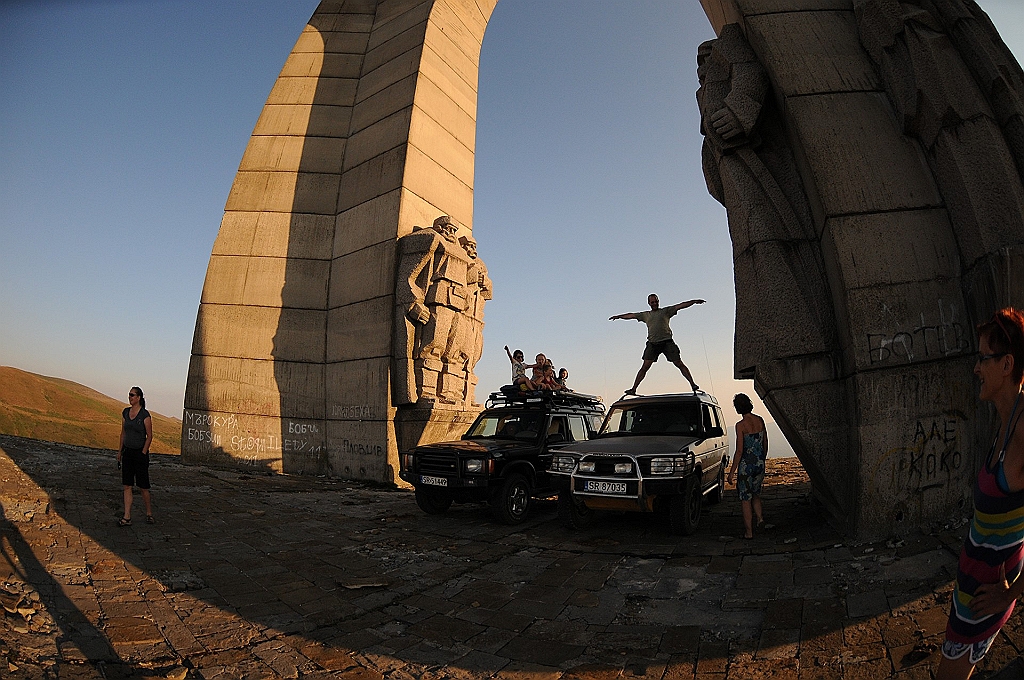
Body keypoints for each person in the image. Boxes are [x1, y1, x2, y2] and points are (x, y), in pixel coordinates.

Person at [938, 308, 1024, 680]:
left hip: (984, 600)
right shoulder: (1006, 419)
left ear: (1007, 364)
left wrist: (1010, 594)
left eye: (982, 358)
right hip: (971, 586)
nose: (976, 368)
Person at [609, 294, 705, 395]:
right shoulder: (646, 315)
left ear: (658, 301)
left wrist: (694, 301)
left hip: (667, 342)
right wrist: (619, 316)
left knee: (678, 363)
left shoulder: (666, 311)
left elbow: (680, 306)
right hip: (653, 344)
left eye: (656, 302)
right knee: (644, 367)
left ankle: (693, 384)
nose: (654, 304)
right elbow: (631, 315)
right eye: (652, 302)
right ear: (649, 303)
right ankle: (633, 389)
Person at [727, 393, 768, 539]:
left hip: (746, 466)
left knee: (745, 499)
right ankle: (760, 518)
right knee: (756, 493)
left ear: (737, 408)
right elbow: (765, 442)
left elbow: (739, 451)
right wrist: (762, 459)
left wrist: (732, 472)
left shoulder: (740, 426)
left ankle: (749, 532)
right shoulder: (760, 420)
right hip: (759, 463)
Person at [118, 386, 154, 526]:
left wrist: (143, 452)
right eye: (129, 394)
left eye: (132, 395)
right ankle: (127, 516)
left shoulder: (145, 415)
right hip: (127, 452)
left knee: (143, 486)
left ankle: (149, 513)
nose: (130, 397)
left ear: (138, 398)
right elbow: (123, 433)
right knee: (127, 485)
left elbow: (149, 436)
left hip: (139, 454)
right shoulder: (125, 412)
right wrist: (120, 451)